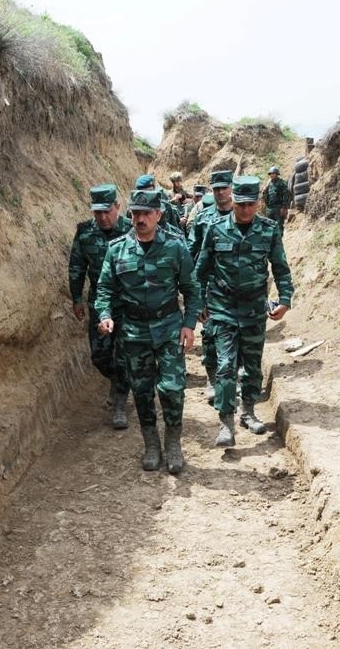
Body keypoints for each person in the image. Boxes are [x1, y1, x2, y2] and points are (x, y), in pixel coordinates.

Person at [94, 189, 200, 474]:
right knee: (141, 391)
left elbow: (191, 289)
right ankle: (151, 445)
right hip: (134, 333)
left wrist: (189, 324)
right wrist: (104, 315)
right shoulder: (117, 249)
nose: (139, 219)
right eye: (135, 213)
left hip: (168, 330)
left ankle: (174, 444)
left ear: (158, 215)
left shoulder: (176, 247)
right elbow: (104, 288)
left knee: (173, 389)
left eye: (145, 213)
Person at [195, 176, 294, 447]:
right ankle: (226, 423)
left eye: (251, 204)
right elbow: (200, 271)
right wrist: (197, 305)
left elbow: (280, 268)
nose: (247, 210)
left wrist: (284, 299)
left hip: (253, 308)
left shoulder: (269, 229)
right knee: (226, 366)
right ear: (233, 201)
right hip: (223, 308)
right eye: (241, 205)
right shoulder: (215, 230)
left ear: (259, 203)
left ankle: (248, 412)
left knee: (251, 367)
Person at [69, 183, 134, 429]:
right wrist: (76, 298)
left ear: (117, 207)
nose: (103, 217)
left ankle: (119, 403)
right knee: (99, 355)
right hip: (101, 303)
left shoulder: (132, 230)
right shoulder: (85, 234)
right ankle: (119, 382)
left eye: (107, 211)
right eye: (98, 212)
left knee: (125, 355)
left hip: (129, 304)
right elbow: (77, 267)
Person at [186, 170, 234, 403]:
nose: (220, 192)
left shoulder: (244, 213)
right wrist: (194, 295)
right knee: (210, 336)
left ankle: (234, 379)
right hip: (210, 289)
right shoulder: (203, 218)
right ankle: (212, 378)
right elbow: (191, 254)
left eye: (224, 187)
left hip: (238, 291)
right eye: (216, 188)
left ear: (231, 188)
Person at [262, 166, 291, 233]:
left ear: (277, 174)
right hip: (269, 208)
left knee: (279, 226)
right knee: (269, 226)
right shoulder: (269, 183)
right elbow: (265, 194)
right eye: (270, 174)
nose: (271, 175)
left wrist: (283, 207)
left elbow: (286, 195)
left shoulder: (282, 183)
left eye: (273, 173)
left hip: (278, 208)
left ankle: (279, 240)